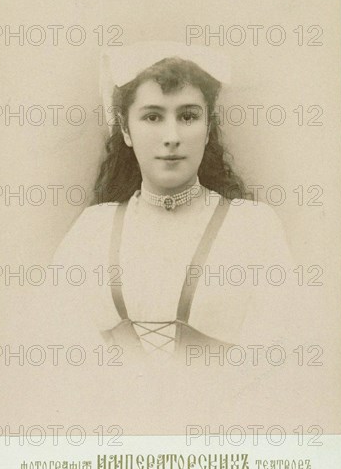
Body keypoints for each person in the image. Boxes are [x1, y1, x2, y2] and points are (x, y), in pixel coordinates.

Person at [50, 41, 296, 367]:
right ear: (126, 130)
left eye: (188, 116)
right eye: (152, 117)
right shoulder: (91, 231)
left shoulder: (252, 228)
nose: (172, 136)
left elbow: (280, 358)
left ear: (208, 129)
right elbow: (58, 358)